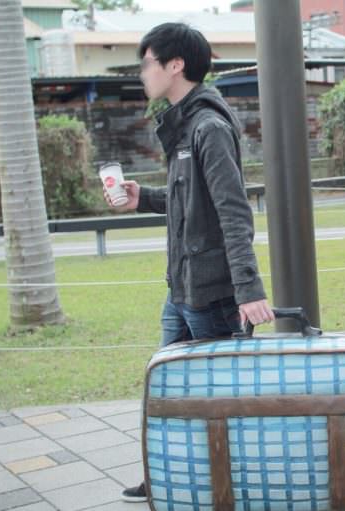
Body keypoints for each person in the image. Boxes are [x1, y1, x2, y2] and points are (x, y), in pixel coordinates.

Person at [102, 23, 274, 502]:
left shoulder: (208, 127)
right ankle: (165, 474)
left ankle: (240, 484)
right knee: (165, 389)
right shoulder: (184, 126)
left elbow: (232, 211)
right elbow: (190, 203)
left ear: (175, 65)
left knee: (221, 397)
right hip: (181, 289)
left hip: (212, 293)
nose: (142, 73)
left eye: (147, 63)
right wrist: (142, 198)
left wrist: (248, 289)